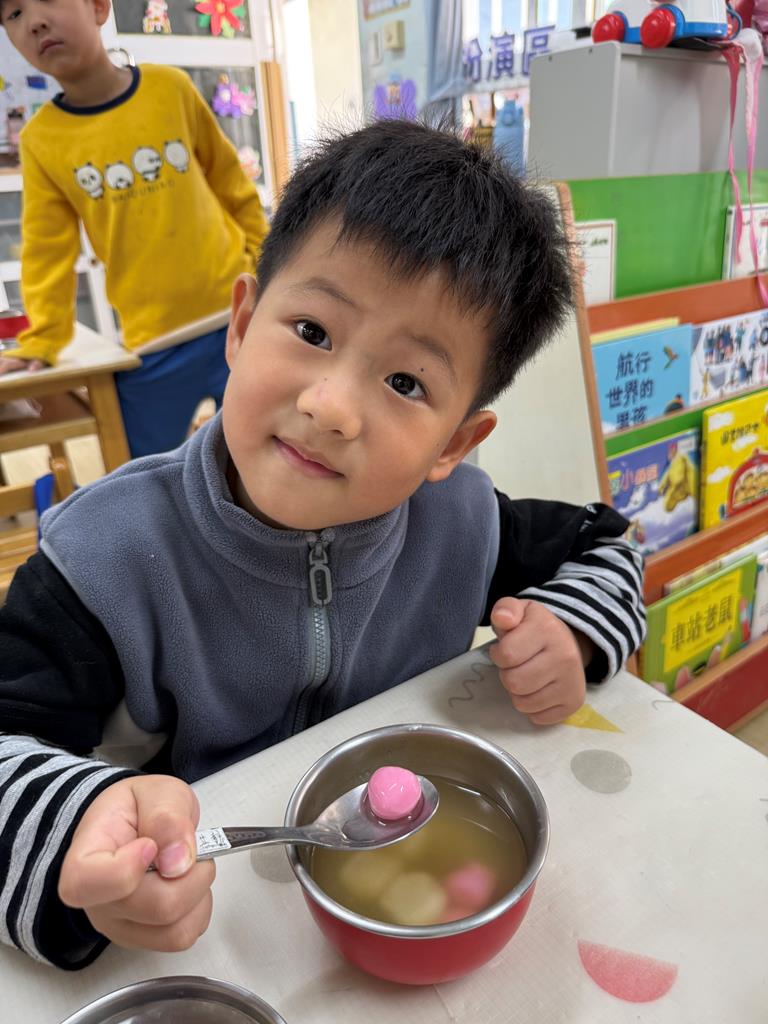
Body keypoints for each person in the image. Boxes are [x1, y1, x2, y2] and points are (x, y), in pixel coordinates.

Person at [0, 119, 645, 970]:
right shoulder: (104, 557)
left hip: (394, 887)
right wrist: (78, 829)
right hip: (197, 925)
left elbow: (609, 543)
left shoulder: (462, 522)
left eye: (406, 382)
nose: (331, 407)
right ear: (240, 325)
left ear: (454, 443)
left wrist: (574, 631)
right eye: (311, 332)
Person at [0, 0, 269, 456]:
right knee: (140, 471)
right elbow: (47, 250)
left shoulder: (171, 88)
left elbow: (234, 189)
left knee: (262, 455)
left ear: (98, 7)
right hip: (153, 343)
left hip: (239, 317)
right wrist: (43, 338)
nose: (35, 21)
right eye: (14, 15)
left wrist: (268, 271)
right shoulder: (42, 140)